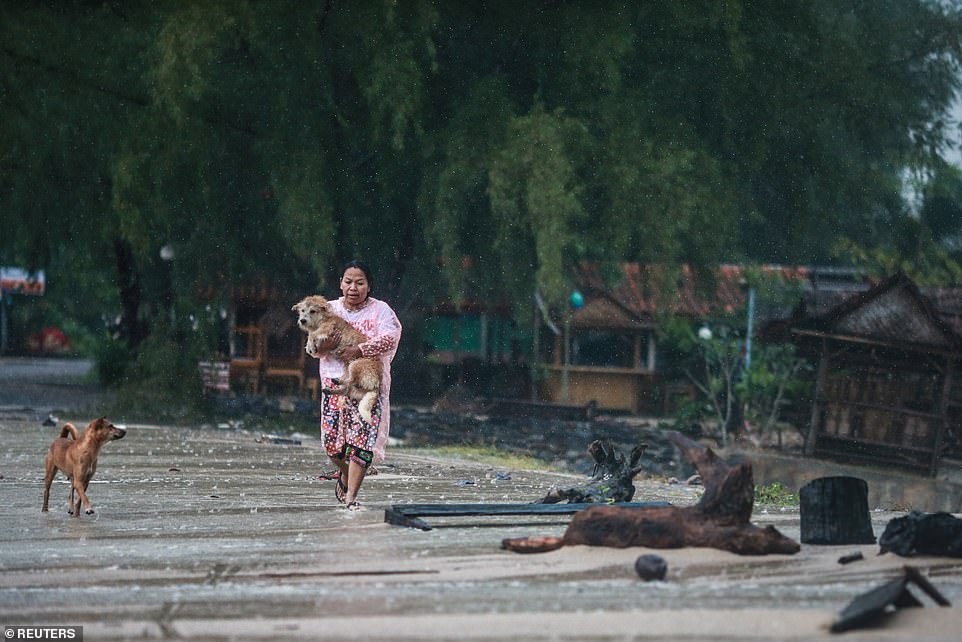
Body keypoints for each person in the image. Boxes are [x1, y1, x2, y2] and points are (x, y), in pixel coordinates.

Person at [315, 260, 402, 510]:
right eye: (348, 281)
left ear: (369, 286)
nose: (353, 287)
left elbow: (391, 337)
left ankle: (351, 496)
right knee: (331, 444)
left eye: (360, 282)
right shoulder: (328, 309)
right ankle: (344, 473)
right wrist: (325, 346)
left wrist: (360, 349)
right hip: (334, 383)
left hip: (367, 384)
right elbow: (313, 347)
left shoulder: (381, 310)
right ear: (340, 284)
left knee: (361, 443)